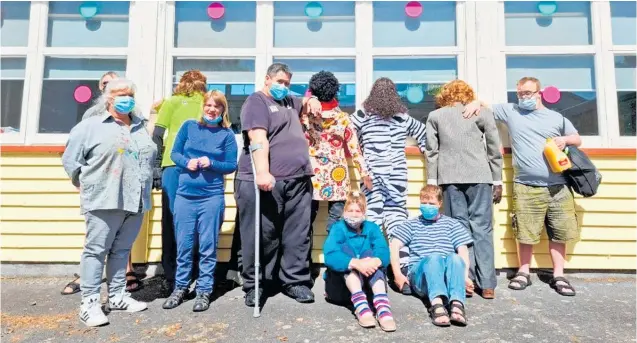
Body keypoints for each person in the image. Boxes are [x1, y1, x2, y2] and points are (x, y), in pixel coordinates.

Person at [463, 77, 581, 296]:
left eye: (527, 93)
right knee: (525, 232)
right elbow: (486, 106)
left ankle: (559, 275)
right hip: (526, 185)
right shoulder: (512, 111)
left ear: (539, 93)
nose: (523, 97)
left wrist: (565, 140)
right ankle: (523, 272)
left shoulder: (556, 117)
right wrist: (475, 103)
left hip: (559, 185)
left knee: (560, 232)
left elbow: (577, 138)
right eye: (519, 93)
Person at [61, 78, 156, 327]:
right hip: (104, 198)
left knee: (122, 250)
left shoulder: (140, 126)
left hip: (136, 199)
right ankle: (89, 303)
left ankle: (117, 296)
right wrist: (83, 183)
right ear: (108, 98)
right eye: (120, 93)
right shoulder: (90, 126)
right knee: (96, 251)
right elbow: (71, 159)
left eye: (130, 94)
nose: (126, 98)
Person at [235, 62, 322, 307]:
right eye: (280, 82)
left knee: (297, 234)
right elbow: (257, 137)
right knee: (262, 235)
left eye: (287, 83)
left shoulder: (288, 102)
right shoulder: (257, 102)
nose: (283, 87)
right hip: (264, 181)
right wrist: (263, 171)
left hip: (297, 179)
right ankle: (257, 284)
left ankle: (295, 281)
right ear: (267, 79)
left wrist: (312, 98)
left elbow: (304, 102)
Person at [425, 80, 503, 299]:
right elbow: (494, 150)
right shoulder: (482, 113)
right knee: (483, 229)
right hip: (480, 176)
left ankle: (465, 280)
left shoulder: (436, 116)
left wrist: (432, 181)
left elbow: (432, 151)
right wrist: (497, 181)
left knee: (458, 230)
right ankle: (487, 284)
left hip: (449, 178)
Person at [162, 90, 238, 312]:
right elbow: (174, 154)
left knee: (207, 245)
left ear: (223, 110)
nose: (212, 110)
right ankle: (181, 287)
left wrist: (211, 162)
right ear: (203, 106)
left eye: (217, 106)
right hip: (185, 196)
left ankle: (204, 290)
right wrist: (187, 162)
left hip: (211, 197)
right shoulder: (189, 127)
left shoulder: (226, 135)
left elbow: (231, 165)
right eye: (209, 105)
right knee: (184, 244)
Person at [350, 77, 427, 292]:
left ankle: (371, 272)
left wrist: (358, 155)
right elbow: (424, 134)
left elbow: (347, 133)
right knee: (397, 223)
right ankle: (400, 271)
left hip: (372, 177)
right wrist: (425, 150)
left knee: (371, 223)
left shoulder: (364, 114)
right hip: (395, 178)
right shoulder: (402, 117)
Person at [152, 70, 208, 294]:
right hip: (202, 166)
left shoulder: (171, 102)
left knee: (172, 219)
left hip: (172, 165)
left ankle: (172, 273)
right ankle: (194, 273)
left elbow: (157, 135)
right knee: (197, 219)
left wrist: (156, 166)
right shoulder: (209, 102)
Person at [390, 185, 473, 327]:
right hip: (422, 276)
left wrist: (464, 277)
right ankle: (437, 304)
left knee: (454, 258)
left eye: (431, 203)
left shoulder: (452, 224)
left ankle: (457, 304)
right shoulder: (412, 225)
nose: (427, 206)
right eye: (424, 202)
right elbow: (394, 246)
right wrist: (397, 274)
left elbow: (463, 251)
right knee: (434, 258)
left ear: (440, 204)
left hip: (447, 275)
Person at [302, 71, 371, 234]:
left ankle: (303, 259)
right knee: (335, 224)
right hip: (337, 176)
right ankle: (334, 255)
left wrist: (309, 98)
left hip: (313, 174)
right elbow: (355, 150)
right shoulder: (343, 119)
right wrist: (364, 173)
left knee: (305, 222)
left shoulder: (306, 117)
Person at [323, 191, 396, 332]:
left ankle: (382, 305)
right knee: (346, 252)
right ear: (344, 211)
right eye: (350, 210)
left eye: (358, 210)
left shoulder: (372, 228)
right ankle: (360, 304)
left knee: (371, 255)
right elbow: (330, 255)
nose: (354, 214)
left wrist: (374, 261)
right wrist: (356, 263)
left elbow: (383, 251)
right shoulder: (338, 228)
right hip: (341, 289)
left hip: (370, 286)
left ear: (364, 212)